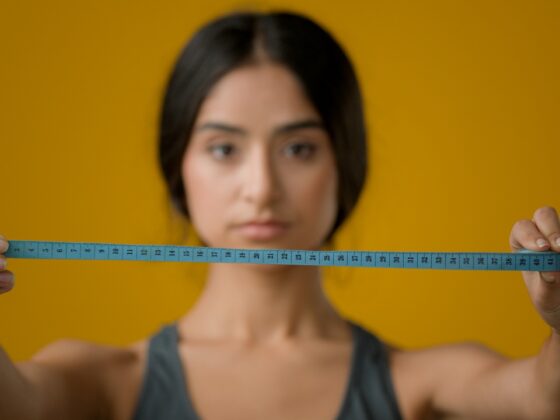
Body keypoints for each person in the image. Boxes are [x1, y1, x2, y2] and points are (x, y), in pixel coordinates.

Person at [1, 10, 559, 420]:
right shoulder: (101, 382)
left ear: (345, 165)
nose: (262, 189)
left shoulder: (427, 384)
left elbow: (542, 397)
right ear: (179, 170)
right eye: (224, 149)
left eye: (298, 149)